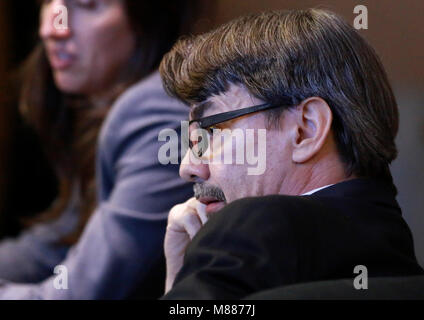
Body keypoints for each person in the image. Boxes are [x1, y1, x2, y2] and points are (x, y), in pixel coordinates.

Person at [158, 9, 424, 299]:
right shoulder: (394, 245)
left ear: (306, 129)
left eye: (210, 132)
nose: (188, 167)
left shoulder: (246, 228)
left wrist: (177, 280)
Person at [0, 0, 195, 299]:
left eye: (86, 4)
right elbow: (55, 245)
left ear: (146, 21)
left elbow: (81, 294)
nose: (50, 28)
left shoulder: (157, 112)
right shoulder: (108, 103)